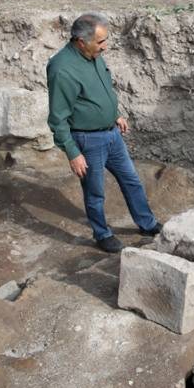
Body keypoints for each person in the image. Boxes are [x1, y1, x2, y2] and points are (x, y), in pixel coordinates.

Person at [47, 13, 162, 253]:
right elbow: (57, 118)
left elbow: (100, 91)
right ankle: (102, 234)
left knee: (131, 180)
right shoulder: (62, 69)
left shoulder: (94, 55)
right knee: (95, 192)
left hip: (111, 135)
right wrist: (72, 152)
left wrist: (114, 114)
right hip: (88, 141)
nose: (105, 46)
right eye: (100, 42)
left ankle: (147, 224)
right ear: (81, 41)